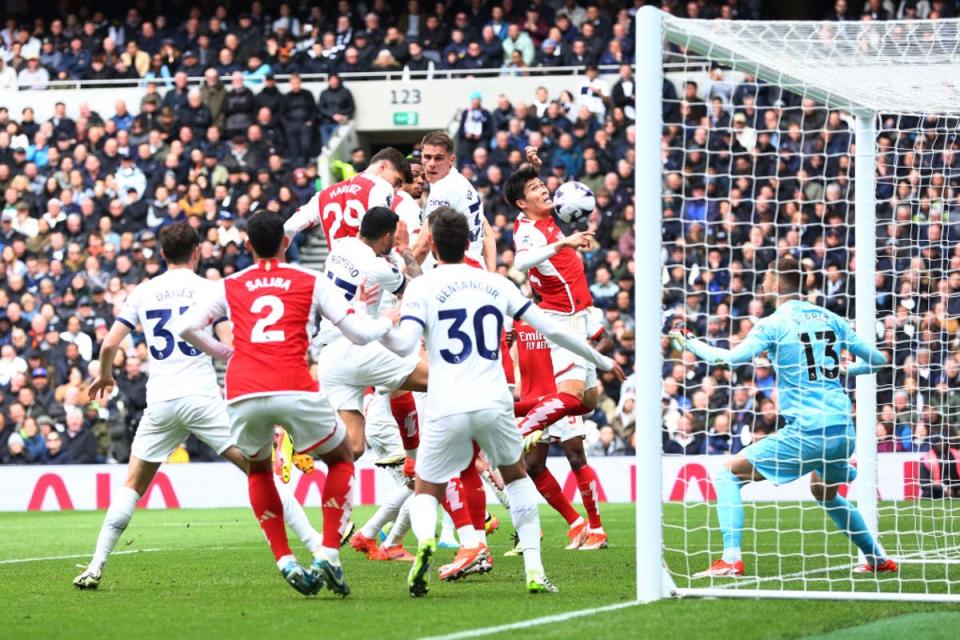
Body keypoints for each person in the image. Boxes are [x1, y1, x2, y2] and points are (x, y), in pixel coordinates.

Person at [379, 207, 624, 596]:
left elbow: (405, 344)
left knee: (427, 487)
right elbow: (555, 331)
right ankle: (535, 569)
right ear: (467, 243)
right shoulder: (496, 284)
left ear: (436, 248)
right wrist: (602, 359)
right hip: (494, 400)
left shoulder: (422, 288)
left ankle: (425, 541)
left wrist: (382, 328)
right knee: (516, 477)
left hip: (447, 402)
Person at [73, 223, 325, 593]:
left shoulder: (144, 291)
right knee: (259, 473)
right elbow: (231, 343)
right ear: (197, 252)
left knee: (132, 486)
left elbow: (110, 344)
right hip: (203, 399)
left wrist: (106, 375)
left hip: (161, 401)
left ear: (162, 254)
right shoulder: (210, 289)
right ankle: (316, 544)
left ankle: (96, 565)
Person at [177, 212, 395, 597]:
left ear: (247, 246)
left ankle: (285, 558)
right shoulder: (310, 280)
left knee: (259, 470)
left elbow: (186, 328)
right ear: (286, 241)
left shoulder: (229, 284)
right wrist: (388, 323)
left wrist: (225, 351)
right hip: (293, 383)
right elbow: (359, 334)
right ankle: (328, 552)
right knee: (342, 458)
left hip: (243, 389)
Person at [669, 254, 897, 577]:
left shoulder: (773, 323)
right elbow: (876, 359)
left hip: (807, 430)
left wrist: (691, 344)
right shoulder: (829, 317)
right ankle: (877, 557)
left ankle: (731, 558)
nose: (761, 282)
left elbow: (731, 359)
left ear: (776, 283)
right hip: (843, 430)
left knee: (727, 475)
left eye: (765, 277)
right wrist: (848, 368)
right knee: (824, 493)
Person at [502, 148, 600, 443]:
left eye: (542, 185)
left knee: (588, 402)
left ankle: (508, 412)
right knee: (571, 395)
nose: (545, 190)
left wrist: (532, 168)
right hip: (563, 318)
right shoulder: (528, 232)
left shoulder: (540, 215)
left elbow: (530, 190)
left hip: (580, 314)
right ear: (522, 203)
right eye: (536, 189)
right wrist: (564, 243)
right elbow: (521, 262)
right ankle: (516, 433)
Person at [510, 306, 609, 551]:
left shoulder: (566, 312)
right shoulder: (516, 313)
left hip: (562, 392)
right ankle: (576, 524)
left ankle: (597, 529)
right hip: (533, 398)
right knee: (533, 465)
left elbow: (604, 339)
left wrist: (585, 360)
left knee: (575, 456)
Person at [283, 147, 408, 249]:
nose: (396, 189)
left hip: (335, 269)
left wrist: (275, 259)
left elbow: (289, 227)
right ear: (383, 167)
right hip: (366, 268)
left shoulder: (323, 194)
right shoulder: (382, 187)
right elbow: (381, 233)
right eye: (397, 181)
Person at [414, 131, 497, 271]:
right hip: (476, 268)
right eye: (427, 157)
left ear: (451, 160)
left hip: (459, 270)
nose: (431, 164)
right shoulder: (460, 181)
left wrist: (397, 279)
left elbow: (422, 247)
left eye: (438, 158)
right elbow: (487, 232)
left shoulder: (443, 189)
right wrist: (491, 273)